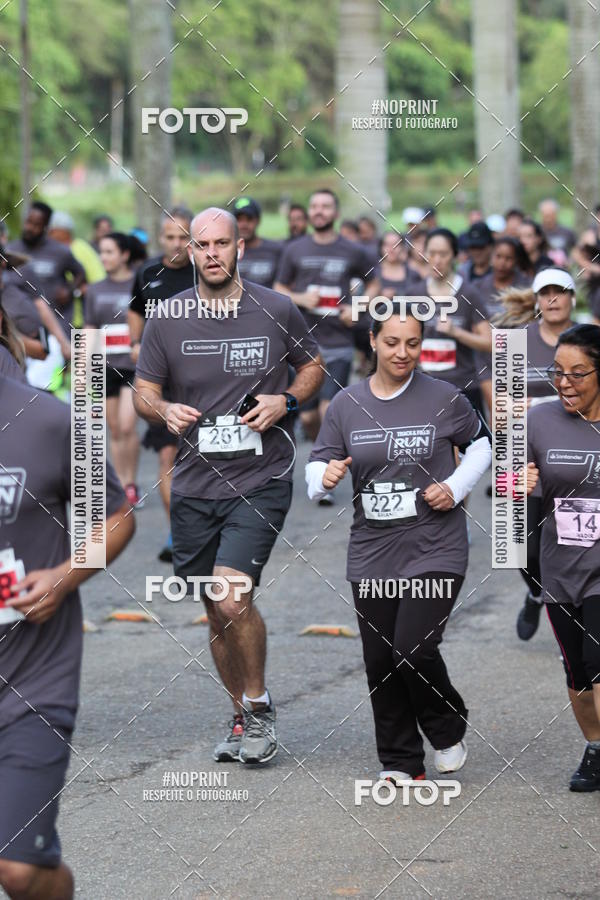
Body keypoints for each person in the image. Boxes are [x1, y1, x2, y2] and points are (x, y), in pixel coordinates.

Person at [133, 207, 323, 765]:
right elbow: (144, 390)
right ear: (188, 252)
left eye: (221, 243)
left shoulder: (276, 308)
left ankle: (259, 707)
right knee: (216, 610)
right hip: (195, 483)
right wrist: (163, 409)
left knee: (231, 595)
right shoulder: (167, 318)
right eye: (202, 244)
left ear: (240, 247)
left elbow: (312, 366)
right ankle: (240, 715)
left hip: (261, 477)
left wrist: (286, 400)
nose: (212, 253)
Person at [306, 302, 491, 783]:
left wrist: (455, 487)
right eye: (391, 342)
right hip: (372, 550)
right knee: (380, 660)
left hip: (435, 545)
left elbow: (481, 444)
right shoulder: (346, 403)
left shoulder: (445, 397)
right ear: (372, 341)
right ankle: (400, 761)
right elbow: (318, 463)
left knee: (412, 648)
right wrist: (323, 477)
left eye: (412, 343)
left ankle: (446, 728)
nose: (402, 352)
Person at [0, 375, 134, 900]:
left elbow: (117, 517)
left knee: (19, 869)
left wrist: (63, 576)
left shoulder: (49, 421)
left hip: (33, 677)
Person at [525, 323, 600, 791]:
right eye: (557, 372)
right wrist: (519, 483)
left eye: (578, 373)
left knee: (598, 658)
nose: (565, 383)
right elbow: (507, 487)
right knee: (577, 671)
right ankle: (595, 747)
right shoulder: (539, 420)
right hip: (560, 565)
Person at [274, 188, 377, 469]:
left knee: (327, 408)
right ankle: (325, 456)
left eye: (325, 206)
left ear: (336, 213)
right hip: (303, 347)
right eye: (315, 206)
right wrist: (300, 298)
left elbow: (375, 283)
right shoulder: (295, 249)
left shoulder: (353, 250)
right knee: (308, 418)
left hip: (338, 344)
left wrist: (357, 307)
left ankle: (326, 467)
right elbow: (279, 287)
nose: (319, 211)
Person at [513, 269, 577, 641]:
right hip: (524, 454)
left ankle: (574, 612)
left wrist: (541, 404)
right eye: (545, 293)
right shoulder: (516, 342)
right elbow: (501, 406)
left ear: (572, 297)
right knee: (521, 546)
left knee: (573, 540)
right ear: (536, 300)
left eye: (560, 291)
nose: (553, 299)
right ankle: (537, 593)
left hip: (577, 451)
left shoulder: (588, 339)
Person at [128, 207, 194, 561]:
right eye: (170, 237)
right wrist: (135, 343)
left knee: (200, 456)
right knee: (168, 455)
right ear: (160, 238)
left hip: (199, 377)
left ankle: (206, 525)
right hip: (159, 381)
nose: (177, 244)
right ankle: (177, 531)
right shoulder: (147, 272)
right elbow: (135, 309)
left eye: (184, 237)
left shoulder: (203, 272)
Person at [406, 228, 492, 417]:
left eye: (443, 254)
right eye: (432, 253)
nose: (437, 260)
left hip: (463, 386)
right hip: (422, 386)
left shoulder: (469, 293)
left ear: (455, 255)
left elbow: (489, 343)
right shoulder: (413, 294)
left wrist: (456, 332)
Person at [85, 233, 140, 507]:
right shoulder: (94, 290)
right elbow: (90, 328)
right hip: (105, 366)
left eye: (109, 252)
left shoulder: (139, 284)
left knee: (128, 425)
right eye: (102, 252)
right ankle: (121, 485)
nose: (103, 257)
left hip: (133, 366)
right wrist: (84, 366)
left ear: (124, 255)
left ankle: (131, 482)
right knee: (115, 429)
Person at [7, 202, 86, 337]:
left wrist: (69, 290)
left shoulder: (60, 251)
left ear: (46, 227)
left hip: (57, 324)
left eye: (36, 225)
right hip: (22, 327)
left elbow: (81, 273)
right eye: (28, 222)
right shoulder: (11, 251)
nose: (30, 228)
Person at [474, 237, 532, 415]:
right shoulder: (478, 287)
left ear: (516, 260)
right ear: (492, 256)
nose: (502, 263)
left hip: (518, 360)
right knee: (498, 415)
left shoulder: (527, 287)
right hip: (486, 360)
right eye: (498, 256)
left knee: (518, 414)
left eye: (508, 258)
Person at [232, 197, 282, 289]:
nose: (244, 225)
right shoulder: (227, 252)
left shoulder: (276, 250)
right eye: (239, 219)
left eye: (249, 219)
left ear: (258, 221)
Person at [48, 211, 105, 289]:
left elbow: (99, 278)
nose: (49, 234)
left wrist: (82, 290)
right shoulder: (50, 249)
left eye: (52, 230)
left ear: (64, 231)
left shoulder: (81, 248)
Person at [373, 231, 420, 298]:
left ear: (402, 247)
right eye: (387, 244)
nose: (391, 249)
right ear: (381, 247)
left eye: (396, 245)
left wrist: (397, 293)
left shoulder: (413, 274)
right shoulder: (373, 273)